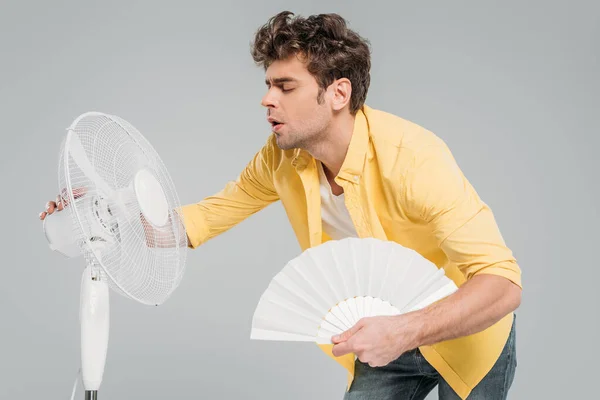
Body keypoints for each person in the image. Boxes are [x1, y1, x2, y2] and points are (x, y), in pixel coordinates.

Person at [39, 11, 522, 400]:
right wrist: (107, 213)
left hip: (466, 331)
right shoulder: (282, 159)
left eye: (285, 87)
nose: (266, 100)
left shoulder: (414, 159)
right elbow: (200, 220)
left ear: (338, 92)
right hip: (379, 340)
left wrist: (405, 329)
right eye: (268, 84)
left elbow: (502, 285)